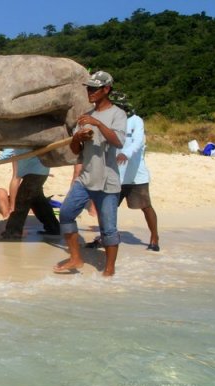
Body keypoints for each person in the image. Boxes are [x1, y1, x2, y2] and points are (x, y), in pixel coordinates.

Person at [53, 71, 126, 277]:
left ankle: (109, 271)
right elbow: (76, 150)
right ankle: (76, 257)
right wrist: (77, 137)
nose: (90, 92)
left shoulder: (118, 114)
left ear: (106, 90)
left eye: (94, 88)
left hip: (107, 180)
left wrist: (99, 125)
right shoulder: (85, 116)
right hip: (85, 178)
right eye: (89, 88)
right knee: (66, 214)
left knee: (108, 229)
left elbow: (118, 141)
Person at [114, 94, 160, 251]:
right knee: (108, 208)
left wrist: (125, 154)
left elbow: (138, 141)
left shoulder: (136, 121)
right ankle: (106, 236)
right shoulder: (110, 122)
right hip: (115, 175)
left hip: (136, 176)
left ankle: (154, 237)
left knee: (146, 206)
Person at [0, 148, 60, 240]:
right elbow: (11, 149)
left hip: (37, 171)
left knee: (21, 201)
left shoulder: (20, 139)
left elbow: (11, 148)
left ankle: (13, 232)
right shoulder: (15, 146)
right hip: (37, 172)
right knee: (38, 201)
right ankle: (53, 228)